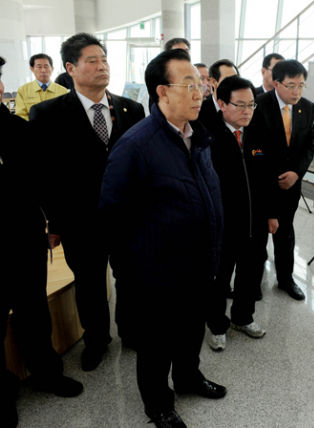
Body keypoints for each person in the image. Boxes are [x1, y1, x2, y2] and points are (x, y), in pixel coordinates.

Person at [99, 48, 226, 428]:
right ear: (161, 92)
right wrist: (135, 273)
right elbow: (111, 214)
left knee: (190, 331)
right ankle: (158, 404)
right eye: (188, 85)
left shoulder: (197, 135)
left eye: (200, 84)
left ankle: (188, 378)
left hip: (199, 263)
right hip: (155, 274)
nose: (198, 92)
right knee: (156, 345)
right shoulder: (136, 145)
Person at [29, 33, 145, 371]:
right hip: (81, 221)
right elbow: (44, 175)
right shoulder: (47, 113)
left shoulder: (131, 109)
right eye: (92, 60)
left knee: (130, 278)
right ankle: (97, 340)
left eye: (104, 59)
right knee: (91, 284)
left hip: (127, 218)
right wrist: (55, 223)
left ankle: (131, 331)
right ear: (71, 67)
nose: (101, 66)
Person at [0, 56, 83, 428]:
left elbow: (43, 181)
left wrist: (55, 223)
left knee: (33, 309)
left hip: (21, 236)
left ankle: (46, 371)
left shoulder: (18, 129)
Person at [199, 75, 279, 351]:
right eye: (240, 105)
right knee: (220, 279)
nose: (247, 111)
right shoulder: (206, 136)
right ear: (221, 103)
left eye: (252, 105)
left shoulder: (258, 131)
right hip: (222, 225)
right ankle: (217, 326)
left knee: (251, 273)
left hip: (255, 222)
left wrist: (271, 214)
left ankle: (243, 318)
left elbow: (269, 178)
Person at [256, 59, 314, 301]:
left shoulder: (307, 107)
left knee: (285, 233)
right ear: (276, 83)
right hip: (262, 184)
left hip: (291, 186)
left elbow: (310, 146)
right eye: (291, 86)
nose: (297, 92)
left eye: (301, 86)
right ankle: (253, 280)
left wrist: (296, 174)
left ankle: (285, 279)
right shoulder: (259, 105)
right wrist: (272, 176)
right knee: (259, 235)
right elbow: (254, 150)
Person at [14, 53, 68, 120]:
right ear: (32, 69)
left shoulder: (63, 91)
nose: (43, 70)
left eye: (46, 66)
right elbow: (21, 115)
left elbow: (67, 114)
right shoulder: (22, 90)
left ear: (52, 69)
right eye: (39, 67)